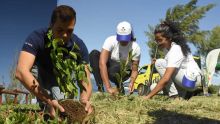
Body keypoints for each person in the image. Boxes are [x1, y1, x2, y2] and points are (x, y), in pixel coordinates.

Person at [15, 5, 92, 118]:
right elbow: (21, 71)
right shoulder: (37, 37)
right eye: (60, 30)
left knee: (66, 107)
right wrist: (48, 100)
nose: (65, 35)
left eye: (69, 31)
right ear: (51, 25)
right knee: (48, 106)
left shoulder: (79, 45)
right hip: (43, 76)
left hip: (65, 80)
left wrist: (84, 100)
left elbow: (85, 79)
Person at [143, 20, 203, 100]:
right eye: (156, 40)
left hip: (191, 81)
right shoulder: (168, 50)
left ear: (169, 38)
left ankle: (174, 96)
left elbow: (166, 78)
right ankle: (182, 96)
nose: (157, 43)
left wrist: (148, 96)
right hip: (185, 79)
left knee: (159, 63)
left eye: (160, 40)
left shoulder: (175, 49)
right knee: (153, 87)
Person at [89, 21, 141, 94]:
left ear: (130, 35)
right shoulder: (110, 40)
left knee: (116, 68)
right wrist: (108, 87)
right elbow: (102, 63)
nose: (123, 41)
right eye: (121, 37)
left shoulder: (135, 47)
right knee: (94, 54)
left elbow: (134, 70)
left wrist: (132, 83)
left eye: (125, 38)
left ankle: (119, 86)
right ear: (117, 34)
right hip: (110, 67)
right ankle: (100, 88)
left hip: (124, 71)